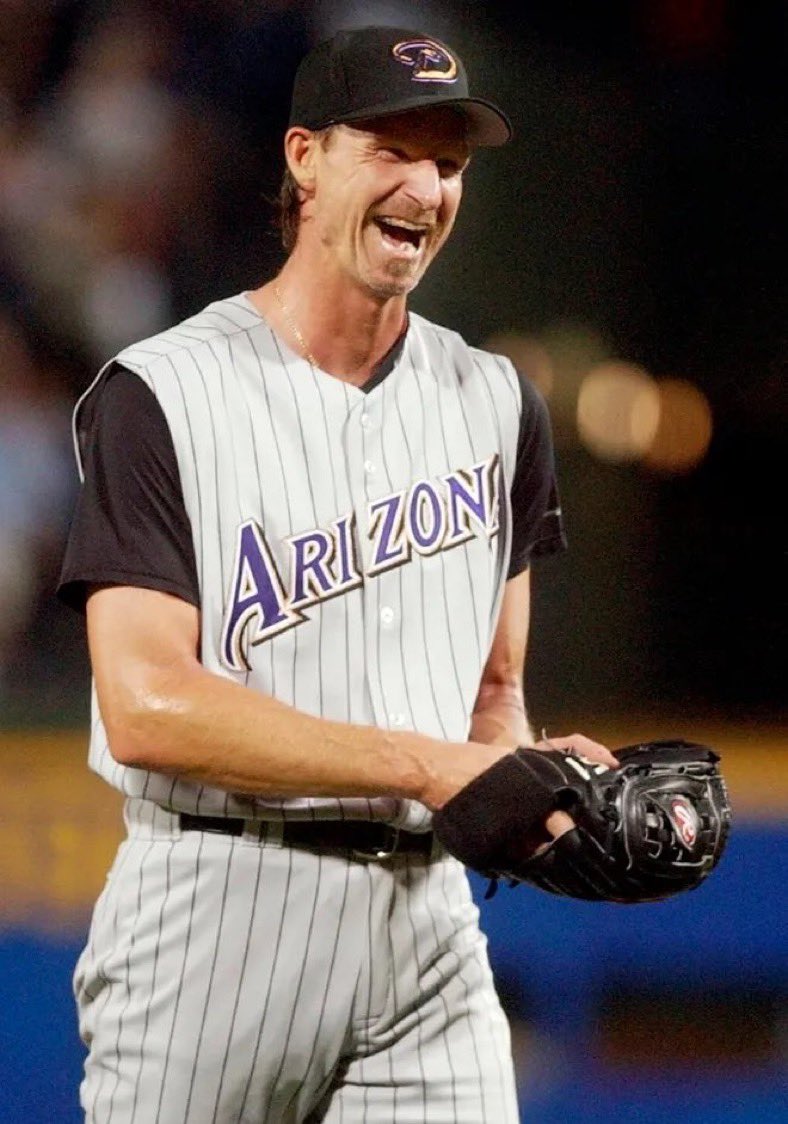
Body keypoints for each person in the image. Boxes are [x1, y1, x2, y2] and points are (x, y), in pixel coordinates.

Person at [59, 25, 615, 1123]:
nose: (424, 186)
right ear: (304, 157)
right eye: (392, 149)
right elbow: (147, 707)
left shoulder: (497, 401)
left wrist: (541, 799)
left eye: (447, 163)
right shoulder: (161, 392)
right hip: (216, 916)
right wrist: (424, 767)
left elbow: (491, 703)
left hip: (427, 930)